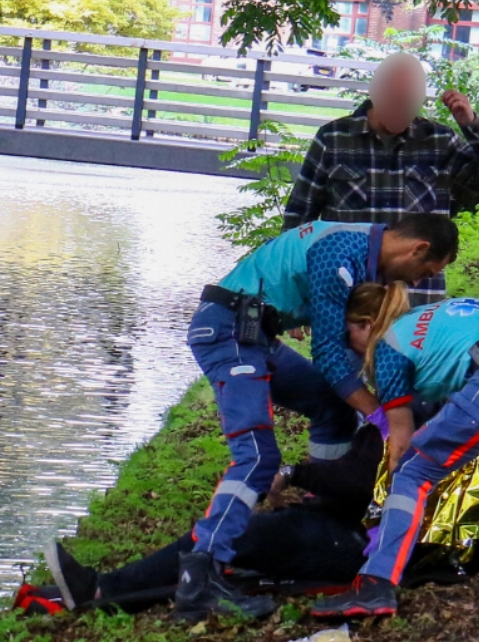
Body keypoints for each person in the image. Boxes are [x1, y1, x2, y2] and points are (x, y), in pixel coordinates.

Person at [178, 214, 458, 620]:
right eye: (424, 272)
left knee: (332, 406)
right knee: (256, 457)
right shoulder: (341, 252)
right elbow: (328, 354)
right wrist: (382, 419)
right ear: (417, 249)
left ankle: (323, 507)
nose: (416, 282)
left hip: (257, 333)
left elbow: (341, 349)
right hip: (229, 331)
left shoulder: (360, 255)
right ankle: (202, 573)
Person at [310, 285, 479, 619]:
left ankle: (376, 584)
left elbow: (400, 443)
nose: (353, 349)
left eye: (349, 337)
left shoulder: (388, 347)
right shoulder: (439, 312)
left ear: (365, 324)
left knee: (411, 471)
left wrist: (384, 502)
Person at [37, 426, 386, 614]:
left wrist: (296, 474)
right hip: (336, 524)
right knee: (227, 532)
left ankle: (102, 589)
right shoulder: (393, 409)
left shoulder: (401, 416)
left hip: (351, 542)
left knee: (228, 533)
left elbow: (360, 480)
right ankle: (111, 586)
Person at [281, 53, 479, 306]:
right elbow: (299, 218)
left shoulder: (439, 141)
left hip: (416, 300)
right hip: (347, 296)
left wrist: (471, 125)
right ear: (375, 95)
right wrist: (292, 292)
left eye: (409, 104)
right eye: (394, 102)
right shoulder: (334, 139)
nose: (401, 111)